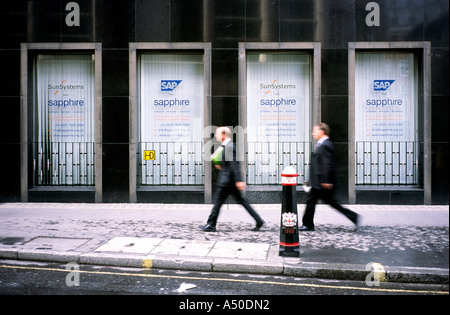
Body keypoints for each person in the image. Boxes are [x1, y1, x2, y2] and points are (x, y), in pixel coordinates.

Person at [198, 127, 265, 232]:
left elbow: (235, 165)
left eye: (217, 134)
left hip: (227, 182)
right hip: (229, 181)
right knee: (242, 201)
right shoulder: (226, 146)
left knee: (218, 202)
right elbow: (229, 164)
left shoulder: (229, 146)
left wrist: (239, 180)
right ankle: (259, 220)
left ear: (224, 134)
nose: (216, 136)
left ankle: (211, 224)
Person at [299, 123, 359, 231]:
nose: (313, 133)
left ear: (322, 132)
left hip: (322, 183)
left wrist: (326, 181)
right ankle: (308, 224)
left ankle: (307, 224)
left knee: (318, 202)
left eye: (315, 131)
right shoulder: (322, 144)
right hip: (319, 181)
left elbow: (327, 164)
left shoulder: (326, 145)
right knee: (322, 202)